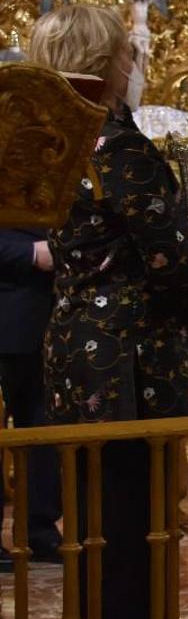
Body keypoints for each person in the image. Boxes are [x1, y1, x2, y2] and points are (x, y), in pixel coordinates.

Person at [29, 3, 188, 619]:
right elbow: (169, 262)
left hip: (74, 355)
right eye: (127, 56)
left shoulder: (50, 145)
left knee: (90, 536)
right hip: (131, 365)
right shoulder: (121, 149)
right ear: (112, 65)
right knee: (135, 540)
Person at [0, 228, 63, 568]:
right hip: (8, 309)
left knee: (44, 434)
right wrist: (30, 254)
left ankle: (39, 530)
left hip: (46, 322)